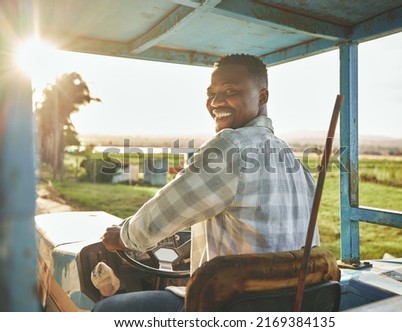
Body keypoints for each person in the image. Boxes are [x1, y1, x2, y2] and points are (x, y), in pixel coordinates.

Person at [92, 54, 319, 312]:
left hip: (232, 305)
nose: (216, 102)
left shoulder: (230, 146)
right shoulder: (295, 162)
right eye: (211, 93)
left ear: (262, 97)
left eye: (230, 90)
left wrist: (123, 236)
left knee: (106, 311)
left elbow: (162, 215)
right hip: (291, 305)